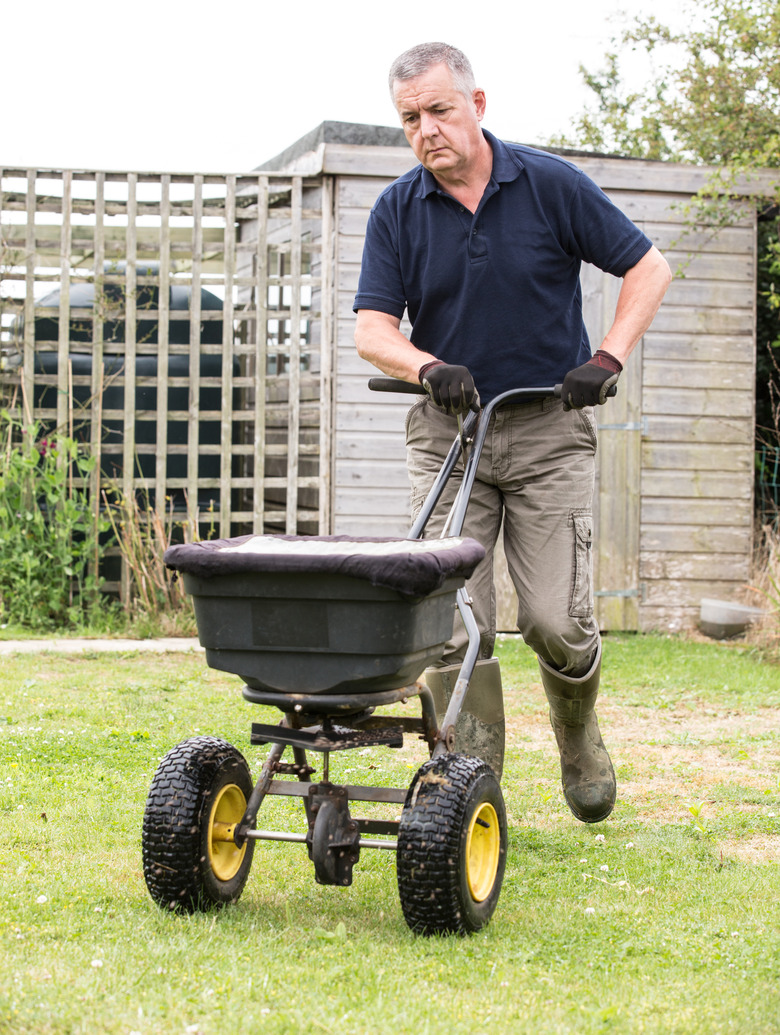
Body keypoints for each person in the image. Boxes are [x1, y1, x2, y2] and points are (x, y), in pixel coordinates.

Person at [353, 42, 672, 823]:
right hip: (449, 435)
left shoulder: (548, 184)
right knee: (453, 619)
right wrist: (427, 366)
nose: (425, 130)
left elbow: (649, 268)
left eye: (438, 110)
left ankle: (577, 730)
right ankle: (472, 789)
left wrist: (607, 354)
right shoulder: (398, 209)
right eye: (408, 119)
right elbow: (371, 331)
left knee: (556, 622)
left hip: (546, 434)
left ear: (478, 104)